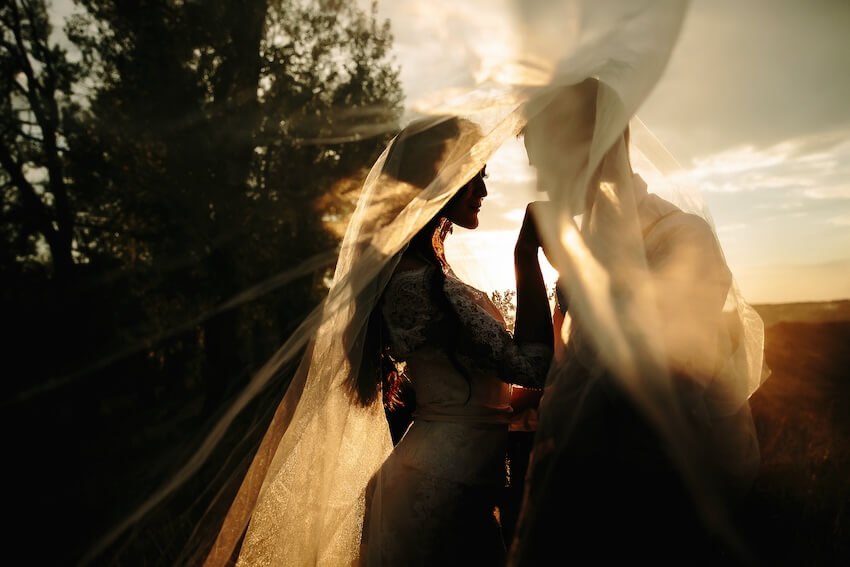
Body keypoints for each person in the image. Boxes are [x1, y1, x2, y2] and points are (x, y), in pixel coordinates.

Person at [232, 116, 554, 567]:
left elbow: (484, 398)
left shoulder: (436, 276)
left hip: (462, 490)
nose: (484, 191)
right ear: (440, 180)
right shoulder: (414, 285)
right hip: (434, 493)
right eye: (475, 178)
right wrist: (526, 252)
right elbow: (530, 365)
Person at [507, 80, 764, 566]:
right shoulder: (588, 242)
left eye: (547, 163)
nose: (541, 183)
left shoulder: (680, 237)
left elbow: (658, 383)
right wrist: (526, 257)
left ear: (595, 151)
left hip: (661, 493)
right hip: (592, 481)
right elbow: (550, 364)